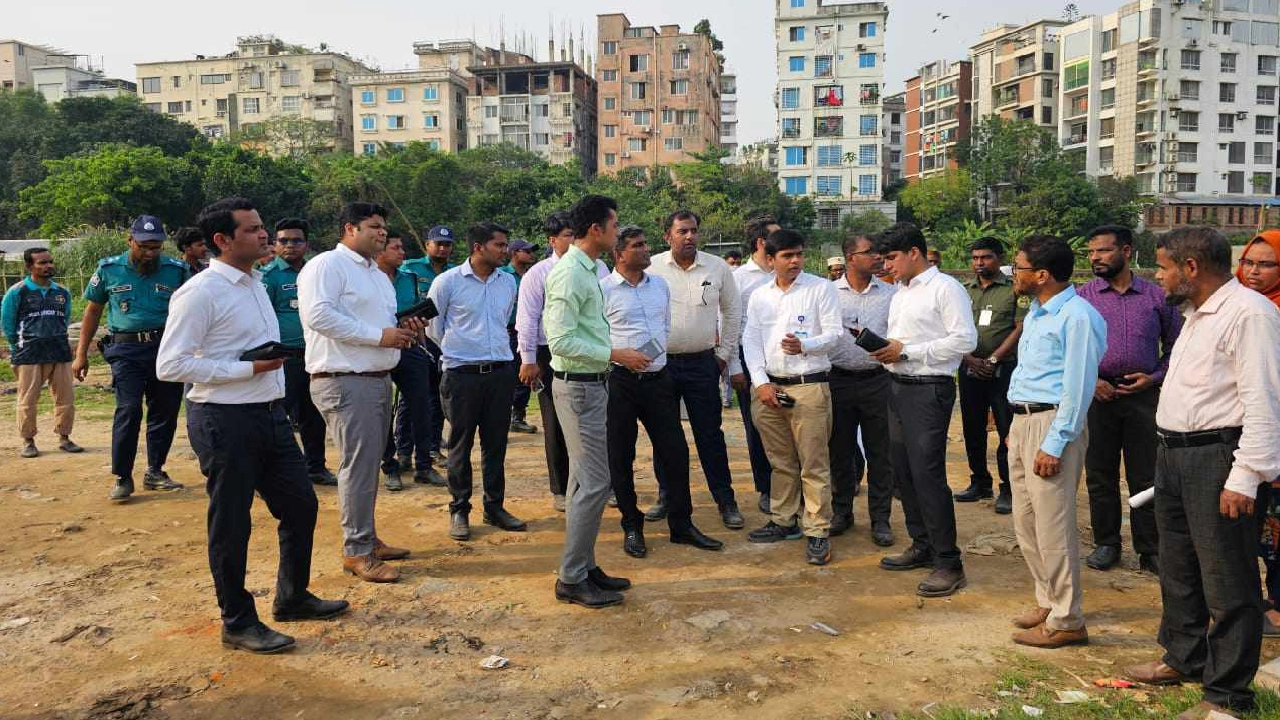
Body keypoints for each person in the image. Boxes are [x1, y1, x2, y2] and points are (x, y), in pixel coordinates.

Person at [156, 197, 348, 655]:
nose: (264, 236)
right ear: (222, 240)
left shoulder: (254, 283)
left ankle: (292, 595)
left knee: (301, 506)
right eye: (252, 230)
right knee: (231, 523)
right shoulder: (200, 292)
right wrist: (246, 369)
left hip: (269, 414)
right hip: (224, 418)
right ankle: (237, 620)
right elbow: (170, 364)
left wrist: (264, 373)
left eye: (263, 228)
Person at [1125, 227, 1280, 720]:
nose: (1157, 275)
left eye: (1164, 266)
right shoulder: (1196, 315)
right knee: (1179, 566)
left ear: (1191, 269)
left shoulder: (1251, 315)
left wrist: (1246, 475)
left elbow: (1264, 402)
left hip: (1217, 458)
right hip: (1174, 454)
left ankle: (1228, 696)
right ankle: (1184, 657)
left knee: (1228, 580)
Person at [297, 201, 423, 584]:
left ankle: (366, 538)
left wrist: (401, 328)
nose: (382, 232)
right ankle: (357, 551)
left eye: (384, 226)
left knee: (367, 465)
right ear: (349, 229)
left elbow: (377, 325)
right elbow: (318, 315)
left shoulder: (376, 274)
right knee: (357, 465)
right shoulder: (326, 266)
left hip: (375, 378)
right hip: (344, 378)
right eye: (373, 226)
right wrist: (379, 335)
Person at [1005, 235, 1107, 649]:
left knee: (1054, 526)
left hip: (1052, 425)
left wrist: (1055, 441)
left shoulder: (1077, 317)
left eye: (1019, 267)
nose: (1015, 274)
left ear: (1042, 275)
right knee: (1026, 521)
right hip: (1024, 421)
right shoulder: (1037, 312)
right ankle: (1048, 599)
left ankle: (1069, 619)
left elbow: (1078, 387)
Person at [602, 226, 723, 558]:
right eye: (637, 246)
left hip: (658, 381)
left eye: (645, 244)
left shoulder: (660, 286)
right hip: (621, 382)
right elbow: (596, 339)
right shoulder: (603, 291)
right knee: (621, 456)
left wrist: (654, 355)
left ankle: (681, 524)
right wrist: (620, 354)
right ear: (619, 254)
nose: (645, 251)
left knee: (675, 452)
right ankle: (632, 525)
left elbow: (664, 327)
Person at [872, 222, 977, 597]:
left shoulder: (945, 288)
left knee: (928, 475)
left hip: (928, 390)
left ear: (914, 253)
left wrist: (908, 351)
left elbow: (965, 339)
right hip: (897, 386)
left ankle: (949, 562)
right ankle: (922, 544)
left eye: (892, 258)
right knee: (903, 472)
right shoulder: (901, 292)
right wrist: (888, 351)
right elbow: (904, 341)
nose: (887, 266)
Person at [545, 194, 637, 608]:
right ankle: (570, 577)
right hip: (578, 386)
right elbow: (560, 339)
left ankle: (585, 565)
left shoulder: (592, 268)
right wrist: (616, 354)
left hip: (592, 383)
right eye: (615, 225)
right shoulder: (568, 273)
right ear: (597, 229)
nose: (618, 232)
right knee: (596, 482)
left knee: (583, 480)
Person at [1078, 225, 1182, 574]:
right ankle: (1107, 543)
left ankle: (1150, 549)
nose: (1095, 258)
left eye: (1104, 251)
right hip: (1097, 395)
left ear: (1126, 250)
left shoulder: (1156, 297)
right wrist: (1092, 381)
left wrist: (1152, 378)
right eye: (1091, 252)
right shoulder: (1084, 297)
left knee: (1146, 476)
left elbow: (1178, 348)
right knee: (1099, 473)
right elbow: (1067, 351)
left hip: (1143, 395)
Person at [743, 229, 842, 566]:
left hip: (809, 387)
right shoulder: (759, 296)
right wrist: (760, 384)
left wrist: (806, 345)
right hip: (771, 389)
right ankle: (784, 521)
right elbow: (751, 341)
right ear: (770, 259)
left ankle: (817, 530)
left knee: (813, 463)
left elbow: (834, 334)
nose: (795, 260)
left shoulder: (820, 289)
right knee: (780, 462)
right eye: (787, 255)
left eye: (799, 254)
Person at [73, 214, 189, 502]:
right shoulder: (109, 269)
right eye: (143, 246)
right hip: (126, 351)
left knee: (164, 411)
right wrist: (80, 355)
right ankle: (123, 477)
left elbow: (193, 311)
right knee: (128, 409)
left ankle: (155, 470)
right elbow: (92, 311)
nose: (149, 253)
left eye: (155, 247)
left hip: (166, 349)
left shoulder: (177, 271)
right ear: (130, 241)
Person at [428, 222, 527, 541]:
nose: (505, 250)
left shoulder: (508, 283)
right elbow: (434, 329)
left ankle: (494, 507)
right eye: (499, 245)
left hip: (500, 373)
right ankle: (459, 509)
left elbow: (505, 321)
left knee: (496, 444)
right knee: (460, 444)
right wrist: (463, 351)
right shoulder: (447, 283)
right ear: (478, 247)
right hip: (461, 375)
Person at [647, 209, 744, 529]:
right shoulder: (652, 267)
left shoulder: (716, 267)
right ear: (667, 236)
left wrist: (724, 354)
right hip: (662, 364)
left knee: (710, 435)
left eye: (693, 231)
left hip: (704, 362)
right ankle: (667, 496)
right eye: (682, 231)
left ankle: (725, 499)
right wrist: (646, 356)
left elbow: (732, 312)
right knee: (665, 436)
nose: (689, 237)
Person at [516, 212, 609, 512]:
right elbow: (527, 320)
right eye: (565, 235)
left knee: (598, 422)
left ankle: (597, 483)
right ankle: (561, 488)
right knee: (555, 421)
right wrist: (528, 359)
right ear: (552, 240)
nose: (571, 241)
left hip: (595, 350)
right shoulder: (539, 274)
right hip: (551, 352)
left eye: (574, 234)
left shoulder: (599, 268)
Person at [828, 233, 896, 546]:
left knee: (880, 452)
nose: (878, 257)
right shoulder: (828, 294)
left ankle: (880, 519)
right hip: (838, 381)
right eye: (869, 252)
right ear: (850, 258)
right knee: (840, 451)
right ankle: (842, 512)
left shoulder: (891, 294)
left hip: (878, 380)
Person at [262, 218, 337, 487]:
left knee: (313, 415)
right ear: (275, 243)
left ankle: (316, 467)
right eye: (283, 240)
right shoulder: (269, 277)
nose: (290, 245)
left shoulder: (316, 273)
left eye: (296, 240)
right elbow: (262, 318)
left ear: (307, 244)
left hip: (315, 354)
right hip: (284, 357)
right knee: (277, 416)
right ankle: (275, 473)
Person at [956, 237, 1025, 515]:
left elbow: (1020, 327)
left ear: (999, 258)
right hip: (970, 367)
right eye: (974, 258)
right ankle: (979, 481)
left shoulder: (1014, 291)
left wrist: (994, 358)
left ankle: (1008, 487)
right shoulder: (964, 291)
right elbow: (953, 328)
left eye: (985, 257)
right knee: (972, 427)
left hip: (1003, 370)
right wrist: (969, 358)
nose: (979, 263)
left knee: (1006, 428)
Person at [373, 233, 444, 491]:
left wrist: (421, 341)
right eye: (396, 247)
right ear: (379, 251)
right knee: (382, 411)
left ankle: (423, 465)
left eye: (402, 247)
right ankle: (390, 466)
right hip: (379, 350)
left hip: (410, 348)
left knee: (421, 406)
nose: (402, 252)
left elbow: (415, 313)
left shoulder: (409, 278)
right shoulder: (368, 280)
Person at [2, 247, 82, 458]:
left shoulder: (62, 293)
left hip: (59, 351)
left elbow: (64, 320)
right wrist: (15, 348)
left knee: (65, 397)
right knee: (28, 399)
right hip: (28, 353)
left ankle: (64, 438)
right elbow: (8, 324)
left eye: (50, 262)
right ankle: (28, 441)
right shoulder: (17, 292)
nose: (48, 266)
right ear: (29, 266)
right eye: (42, 263)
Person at [1239, 231, 1280, 635]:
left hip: (1274, 427)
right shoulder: (1235, 307)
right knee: (1256, 526)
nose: (1254, 271)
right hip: (1250, 435)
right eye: (1249, 261)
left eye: (1266, 264)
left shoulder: (1267, 314)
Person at [729, 216, 781, 515]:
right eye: (776, 237)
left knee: (788, 427)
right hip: (751, 364)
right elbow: (730, 323)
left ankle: (789, 484)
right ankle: (766, 487)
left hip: (784, 362)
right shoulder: (739, 278)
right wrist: (735, 365)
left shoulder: (788, 272)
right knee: (758, 427)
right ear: (761, 242)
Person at [401, 225, 456, 465]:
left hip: (442, 341)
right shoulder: (410, 269)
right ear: (427, 245)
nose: (443, 249)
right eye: (438, 244)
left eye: (447, 245)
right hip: (416, 339)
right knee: (408, 398)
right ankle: (404, 451)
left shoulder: (455, 272)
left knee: (436, 395)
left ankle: (433, 447)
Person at [502, 239, 540, 435]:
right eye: (527, 251)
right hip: (508, 331)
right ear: (515, 253)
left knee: (526, 376)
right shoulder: (503, 276)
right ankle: (504, 416)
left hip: (527, 332)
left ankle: (518, 416)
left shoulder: (531, 275)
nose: (531, 254)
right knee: (508, 376)